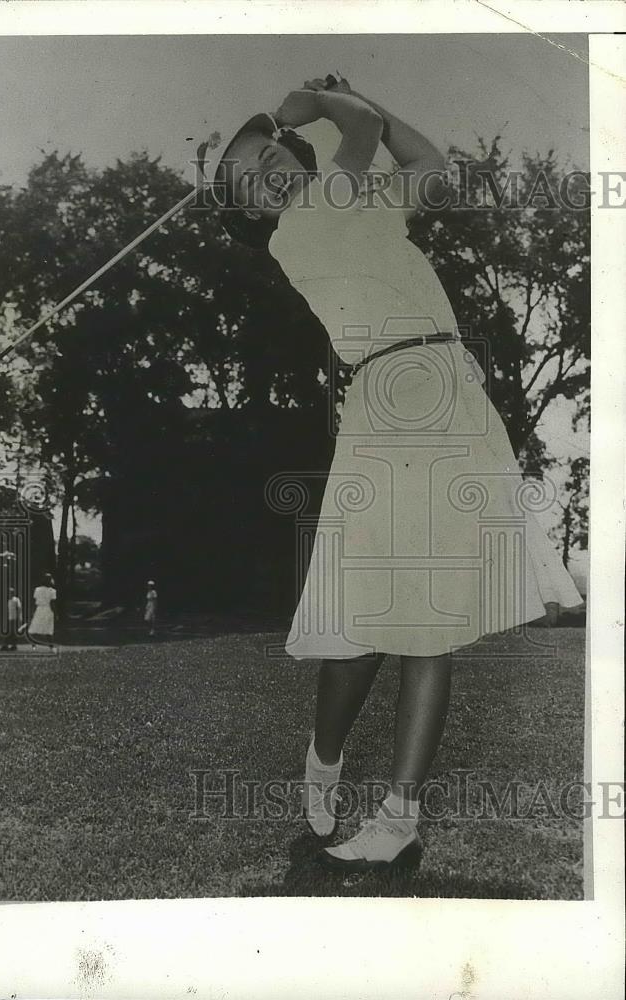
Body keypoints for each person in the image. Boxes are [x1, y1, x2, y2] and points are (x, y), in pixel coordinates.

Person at [198, 74, 583, 873]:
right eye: (247, 177)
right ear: (252, 210)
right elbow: (364, 132)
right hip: (385, 401)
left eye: (269, 151)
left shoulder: (357, 207)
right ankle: (324, 760)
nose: (265, 169)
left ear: (294, 158)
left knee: (431, 622)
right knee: (362, 635)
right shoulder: (297, 229)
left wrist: (354, 95)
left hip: (450, 392)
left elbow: (430, 164)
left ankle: (398, 819)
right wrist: (311, 104)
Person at [27, 573, 57, 649]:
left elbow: (33, 601)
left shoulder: (37, 589)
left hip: (39, 609)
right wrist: (55, 613)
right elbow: (52, 604)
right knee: (48, 629)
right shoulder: (52, 591)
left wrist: (32, 611)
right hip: (47, 610)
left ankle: (34, 645)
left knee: (35, 628)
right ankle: (51, 646)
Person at [0, 587, 23, 651]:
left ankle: (9, 645)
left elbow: (19, 609)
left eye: (11, 592)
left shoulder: (16, 599)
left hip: (14, 618)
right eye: (9, 592)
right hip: (9, 618)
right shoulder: (8, 600)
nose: (10, 594)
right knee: (10, 632)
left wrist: (19, 617)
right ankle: (9, 645)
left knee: (12, 632)